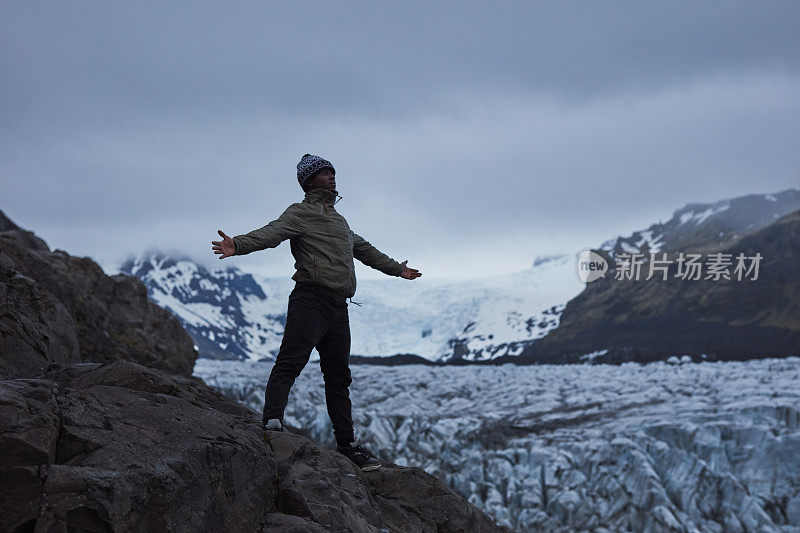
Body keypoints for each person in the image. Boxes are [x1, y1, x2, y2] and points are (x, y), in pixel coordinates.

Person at [211, 154, 421, 469]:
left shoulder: (340, 221)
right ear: (309, 181)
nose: (332, 177)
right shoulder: (300, 213)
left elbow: (364, 249)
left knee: (339, 378)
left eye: (333, 172)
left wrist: (396, 270)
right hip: (310, 300)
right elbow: (272, 233)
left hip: (338, 307)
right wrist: (238, 245)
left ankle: (349, 447)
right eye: (325, 173)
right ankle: (272, 423)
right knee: (290, 363)